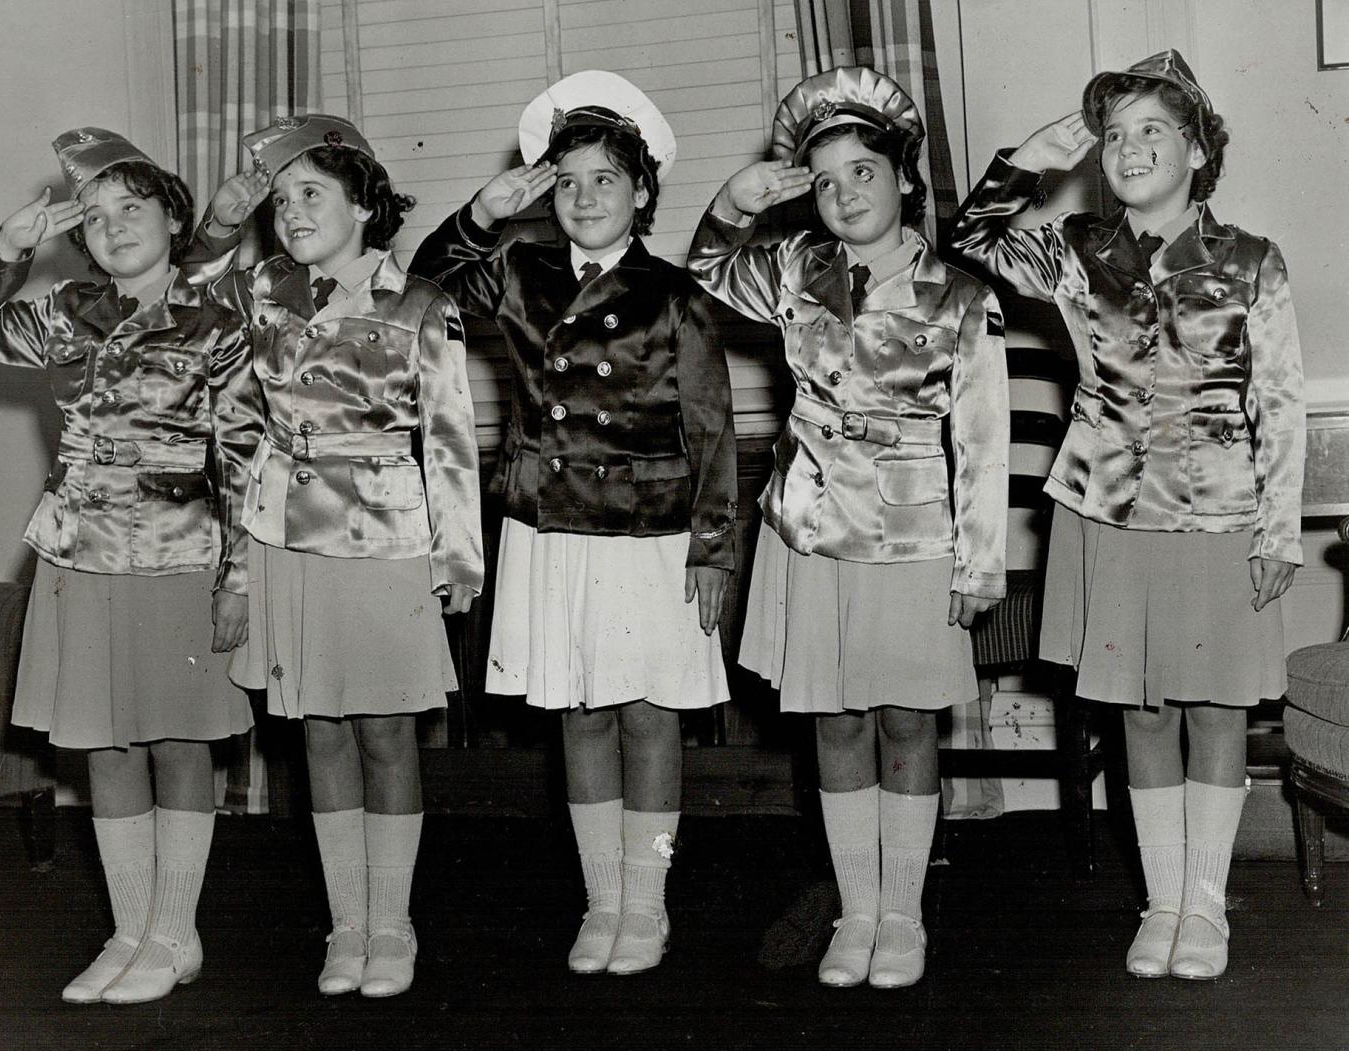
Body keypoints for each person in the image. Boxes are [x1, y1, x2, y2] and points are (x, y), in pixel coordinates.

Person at [951, 49, 1305, 980]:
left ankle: (1205, 906)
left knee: (1214, 710)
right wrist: (1026, 160)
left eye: (1153, 129)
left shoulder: (1250, 262)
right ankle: (1160, 903)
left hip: (1221, 518)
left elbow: (1280, 402)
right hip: (1104, 515)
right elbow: (966, 246)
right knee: (1141, 711)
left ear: (1196, 150)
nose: (1128, 146)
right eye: (1114, 134)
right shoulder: (1074, 250)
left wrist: (1275, 530)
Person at [687, 67, 1009, 989]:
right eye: (822, 181)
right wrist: (728, 204)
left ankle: (901, 914)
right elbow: (705, 274)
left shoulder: (958, 295)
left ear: (904, 179)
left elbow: (983, 437)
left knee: (906, 723)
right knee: (832, 724)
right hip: (807, 527)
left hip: (915, 538)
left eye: (861, 171)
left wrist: (979, 564)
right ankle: (855, 910)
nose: (842, 195)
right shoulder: (794, 270)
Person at [411, 71, 738, 976]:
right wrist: (481, 213)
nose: (585, 196)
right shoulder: (517, 273)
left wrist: (713, 549)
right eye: (567, 179)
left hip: (649, 532)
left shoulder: (677, 294)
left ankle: (649, 904)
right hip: (549, 529)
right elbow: (420, 287)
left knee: (647, 715)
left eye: (604, 178)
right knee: (579, 713)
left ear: (642, 192)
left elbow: (710, 428)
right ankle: (603, 904)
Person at [0, 129, 257, 1004]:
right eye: (99, 216)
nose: (118, 226)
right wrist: (10, 245)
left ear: (172, 216)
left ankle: (174, 933)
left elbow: (242, 461)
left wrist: (237, 578)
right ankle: (128, 931)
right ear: (80, 239)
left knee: (176, 742)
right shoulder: (66, 312)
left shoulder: (219, 320)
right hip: (76, 553)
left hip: (178, 554)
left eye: (136, 206)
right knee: (104, 745)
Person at [188, 115, 484, 997]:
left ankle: (391, 927)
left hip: (388, 541)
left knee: (386, 733)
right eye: (279, 201)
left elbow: (452, 442)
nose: (289, 212)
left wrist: (457, 558)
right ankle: (344, 927)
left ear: (363, 204)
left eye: (309, 193)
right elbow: (186, 296)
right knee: (318, 731)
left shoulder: (422, 302)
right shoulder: (264, 291)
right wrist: (219, 222)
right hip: (287, 538)